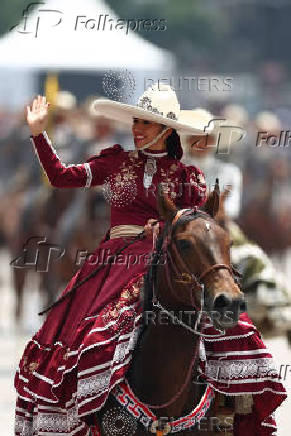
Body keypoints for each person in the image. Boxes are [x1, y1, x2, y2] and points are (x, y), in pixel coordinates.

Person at [15, 85, 286, 436]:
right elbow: (61, 177)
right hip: (113, 262)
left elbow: (194, 223)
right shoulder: (114, 162)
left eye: (145, 122)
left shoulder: (188, 177)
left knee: (224, 316)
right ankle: (76, 408)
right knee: (81, 332)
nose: (136, 128)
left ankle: (231, 399)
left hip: (166, 255)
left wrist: (167, 225)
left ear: (166, 130)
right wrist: (39, 135)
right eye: (136, 121)